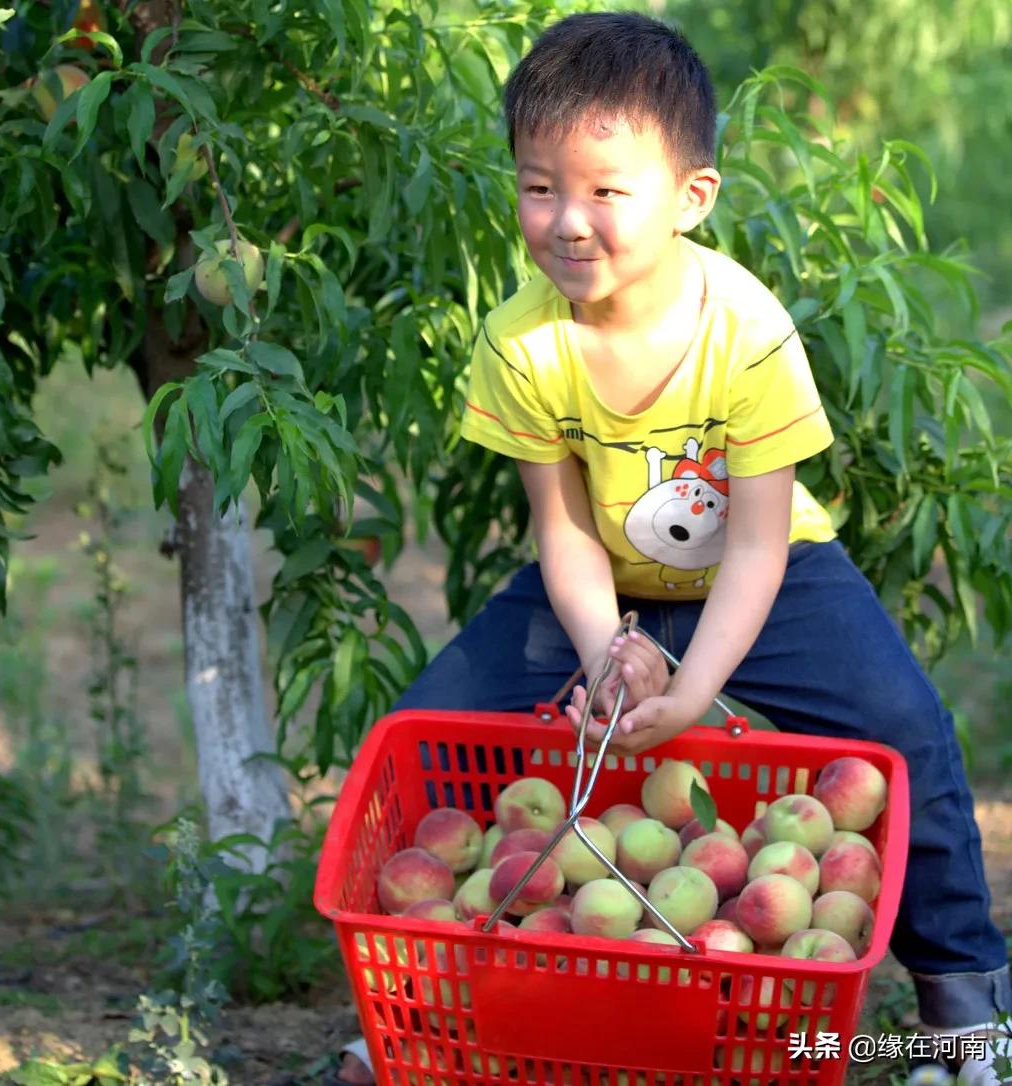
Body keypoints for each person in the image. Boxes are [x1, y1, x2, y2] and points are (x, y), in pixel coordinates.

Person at [334, 12, 1010, 1084]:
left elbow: (755, 549)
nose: (566, 222)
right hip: (601, 577)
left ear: (691, 198)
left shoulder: (745, 329)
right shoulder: (521, 338)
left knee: (905, 729)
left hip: (773, 576)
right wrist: (611, 647)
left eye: (607, 192)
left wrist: (693, 689)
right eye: (538, 186)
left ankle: (965, 1004)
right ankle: (426, 995)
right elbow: (561, 528)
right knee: (427, 728)